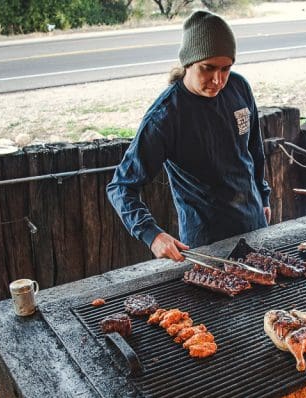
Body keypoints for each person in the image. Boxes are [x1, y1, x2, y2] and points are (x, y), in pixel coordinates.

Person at [106, 10, 271, 262]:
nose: (218, 80)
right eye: (208, 68)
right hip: (207, 242)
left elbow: (254, 150)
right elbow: (121, 186)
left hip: (255, 223)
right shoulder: (165, 117)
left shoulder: (239, 87)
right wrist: (152, 234)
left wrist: (263, 195)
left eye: (226, 68)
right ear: (188, 63)